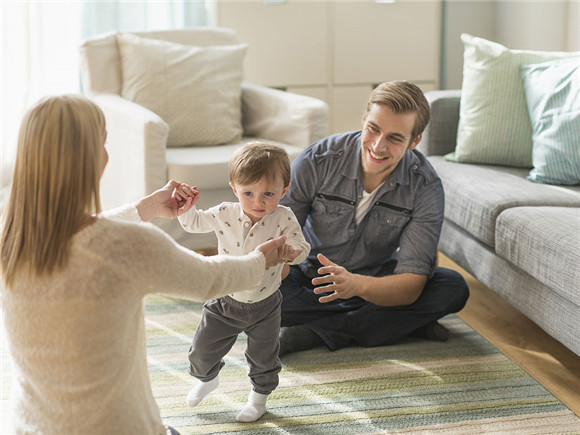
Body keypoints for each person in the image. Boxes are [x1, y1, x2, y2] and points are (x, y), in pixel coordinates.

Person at [0, 95, 298, 435]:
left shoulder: (10, 238)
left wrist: (144, 208)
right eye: (103, 142)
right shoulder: (127, 245)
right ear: (90, 160)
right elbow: (209, 280)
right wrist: (262, 259)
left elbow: (79, 233)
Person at [278, 80, 470, 356]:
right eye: (374, 129)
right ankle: (401, 323)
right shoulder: (317, 160)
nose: (378, 147)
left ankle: (316, 333)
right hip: (310, 275)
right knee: (267, 295)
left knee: (452, 288)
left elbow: (412, 282)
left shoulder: (425, 187)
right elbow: (276, 234)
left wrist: (355, 285)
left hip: (376, 280)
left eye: (395, 138)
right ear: (364, 119)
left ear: (414, 141)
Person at [175, 142, 310, 422]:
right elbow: (194, 224)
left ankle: (258, 400)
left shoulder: (284, 217)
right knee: (201, 352)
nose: (258, 202)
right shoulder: (224, 212)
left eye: (268, 194)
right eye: (248, 193)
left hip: (266, 305)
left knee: (264, 359)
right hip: (226, 300)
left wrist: (292, 252)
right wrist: (186, 207)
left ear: (284, 191)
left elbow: (302, 247)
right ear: (235, 188)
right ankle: (207, 379)